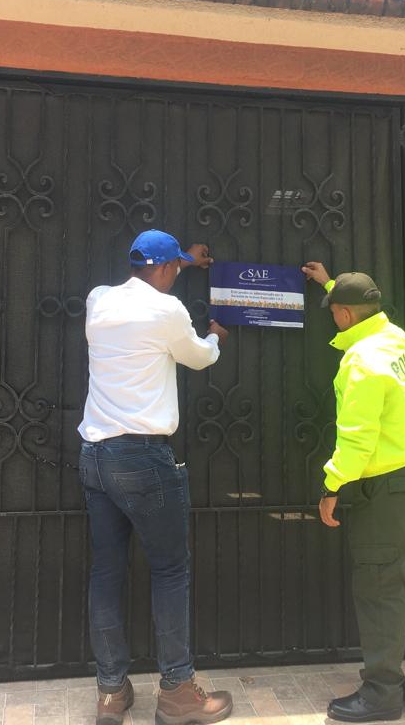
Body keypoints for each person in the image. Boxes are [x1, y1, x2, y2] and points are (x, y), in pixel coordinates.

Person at [79, 230, 233, 725]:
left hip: (95, 455)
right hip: (142, 457)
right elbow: (199, 356)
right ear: (165, 269)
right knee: (169, 571)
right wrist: (216, 335)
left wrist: (185, 261)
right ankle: (177, 691)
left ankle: (110, 693)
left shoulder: (99, 300)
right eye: (175, 266)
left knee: (106, 572)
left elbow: (150, 278)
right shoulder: (167, 311)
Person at [301, 261, 405, 723]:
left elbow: (357, 439)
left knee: (382, 590)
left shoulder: (360, 362)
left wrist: (331, 484)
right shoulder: (395, 338)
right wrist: (329, 283)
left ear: (344, 314)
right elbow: (358, 307)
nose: (333, 317)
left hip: (385, 489)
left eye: (334, 310)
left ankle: (382, 693)